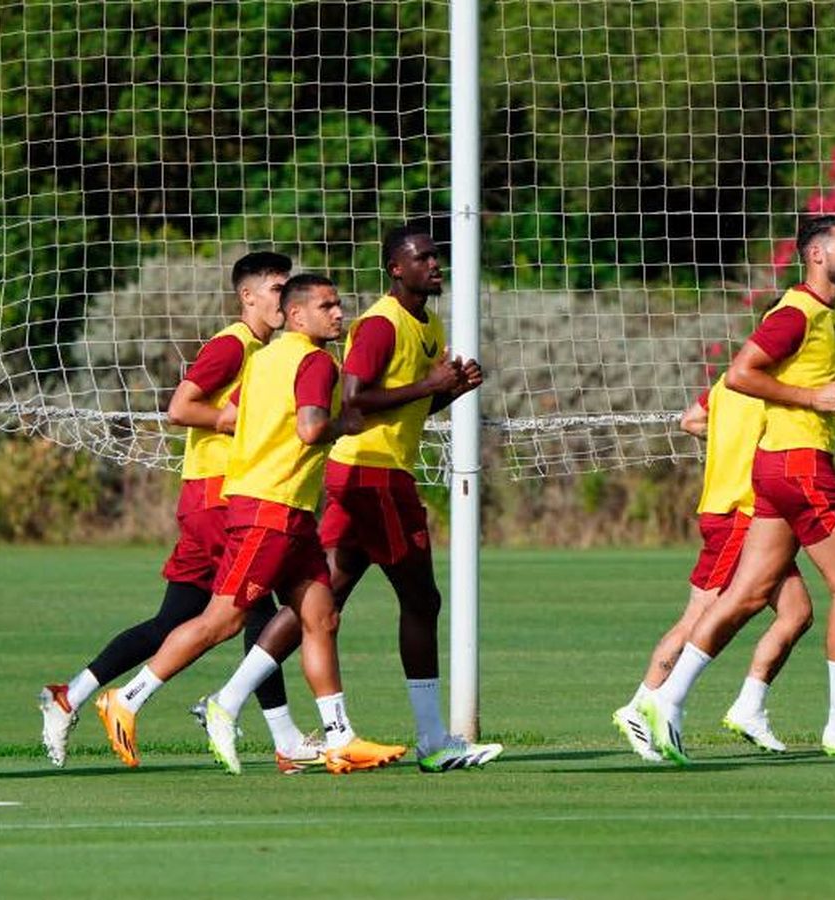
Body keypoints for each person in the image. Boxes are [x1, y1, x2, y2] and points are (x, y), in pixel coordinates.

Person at [198, 224, 499, 774]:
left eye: (436, 256)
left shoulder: (426, 322)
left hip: (375, 473)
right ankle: (434, 740)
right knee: (421, 600)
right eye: (423, 258)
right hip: (371, 475)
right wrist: (432, 386)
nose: (435, 265)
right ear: (396, 269)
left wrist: (447, 391)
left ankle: (228, 700)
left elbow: (396, 407)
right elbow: (357, 399)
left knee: (321, 602)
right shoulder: (382, 324)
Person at [94, 274, 405, 774]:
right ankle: (127, 698)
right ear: (297, 315)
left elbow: (232, 415)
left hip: (288, 511)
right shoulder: (316, 361)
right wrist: (344, 424)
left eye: (340, 305)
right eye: (327, 306)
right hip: (270, 510)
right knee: (224, 620)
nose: (339, 314)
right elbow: (309, 430)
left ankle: (340, 736)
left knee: (321, 619)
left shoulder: (261, 360)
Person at [37, 252, 319, 773]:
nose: (287, 297)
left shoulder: (263, 350)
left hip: (216, 497)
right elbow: (180, 407)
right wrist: (240, 425)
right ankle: (284, 738)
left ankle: (69, 697)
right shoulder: (234, 345)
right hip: (218, 497)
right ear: (249, 296)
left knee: (177, 619)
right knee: (257, 612)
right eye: (278, 288)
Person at [640, 214, 835, 765]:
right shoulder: (795, 311)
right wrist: (813, 401)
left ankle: (666, 701)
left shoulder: (828, 317)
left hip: (779, 468)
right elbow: (740, 374)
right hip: (800, 466)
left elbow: (810, 390)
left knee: (748, 594)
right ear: (816, 255)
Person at [613, 377, 813, 760]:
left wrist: (728, 444)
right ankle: (641, 704)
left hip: (748, 516)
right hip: (740, 513)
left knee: (797, 612)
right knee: (700, 617)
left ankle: (749, 708)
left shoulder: (726, 383)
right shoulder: (775, 389)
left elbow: (690, 421)